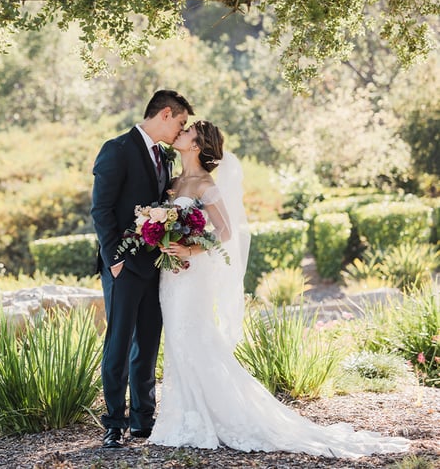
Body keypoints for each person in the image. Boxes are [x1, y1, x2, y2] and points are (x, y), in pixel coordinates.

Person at [149, 120, 411, 457]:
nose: (180, 133)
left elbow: (226, 231)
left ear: (197, 145)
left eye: (187, 132)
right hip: (171, 275)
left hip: (193, 272)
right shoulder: (173, 179)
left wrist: (190, 249)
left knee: (194, 336)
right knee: (177, 338)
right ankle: (184, 415)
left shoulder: (203, 183)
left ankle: (214, 416)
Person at [91, 89, 194, 449]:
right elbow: (100, 210)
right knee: (118, 345)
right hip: (123, 266)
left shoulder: (163, 157)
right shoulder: (116, 149)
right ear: (165, 114)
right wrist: (114, 259)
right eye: (181, 122)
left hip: (156, 267)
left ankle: (142, 421)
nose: (181, 130)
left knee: (148, 345)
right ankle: (113, 424)